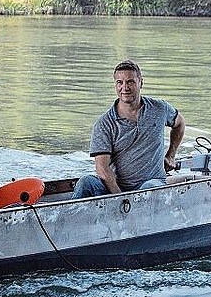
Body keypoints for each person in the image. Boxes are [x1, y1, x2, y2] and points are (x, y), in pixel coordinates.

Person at [71, 60, 186, 199]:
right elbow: (102, 170)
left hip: (153, 184)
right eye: (120, 82)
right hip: (116, 189)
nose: (124, 87)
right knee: (86, 182)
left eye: (130, 82)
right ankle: (66, 218)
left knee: (148, 188)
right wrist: (121, 199)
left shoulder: (159, 108)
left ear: (141, 82)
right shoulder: (104, 123)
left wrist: (171, 155)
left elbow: (179, 123)